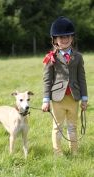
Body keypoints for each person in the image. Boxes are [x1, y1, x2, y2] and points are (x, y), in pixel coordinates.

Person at [42, 16, 88, 156]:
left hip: (74, 97)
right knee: (58, 127)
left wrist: (84, 98)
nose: (64, 39)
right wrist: (45, 100)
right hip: (57, 99)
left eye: (67, 36)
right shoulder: (51, 57)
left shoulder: (78, 57)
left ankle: (74, 151)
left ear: (72, 38)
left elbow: (82, 78)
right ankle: (58, 153)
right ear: (55, 39)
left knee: (72, 126)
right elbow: (47, 80)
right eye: (60, 37)